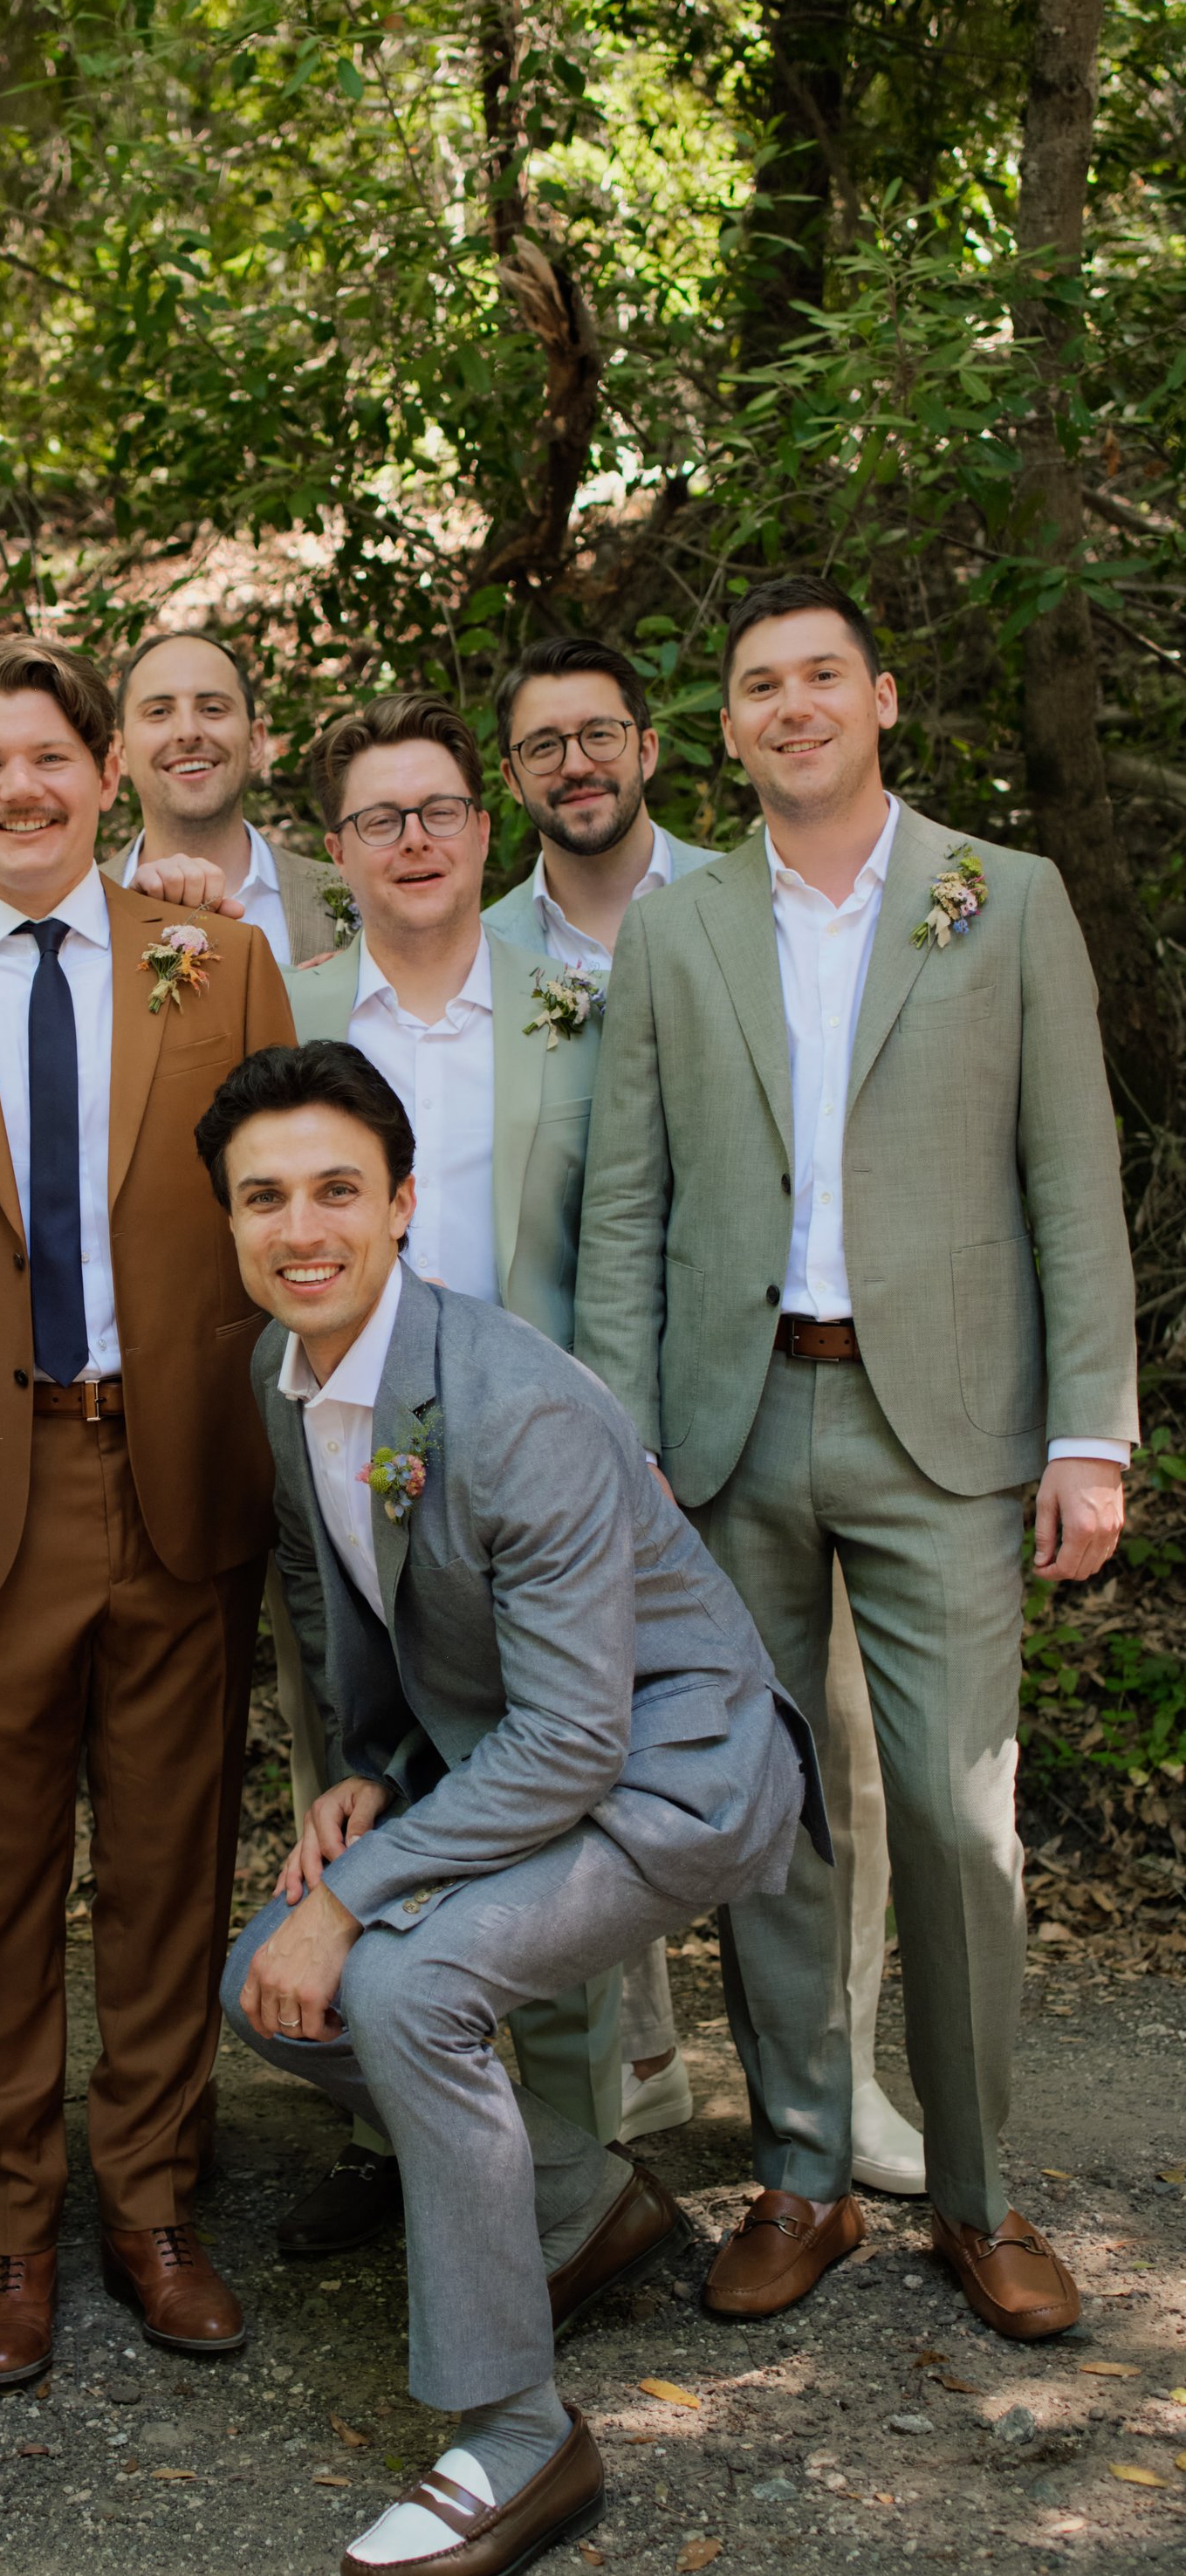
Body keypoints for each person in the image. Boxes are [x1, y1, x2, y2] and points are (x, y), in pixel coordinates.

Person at [577, 572, 1136, 2338]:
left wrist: (1087, 1439)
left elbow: (1069, 1182)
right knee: (775, 1819)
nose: (791, 706)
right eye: (758, 686)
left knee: (962, 1829)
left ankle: (974, 2201)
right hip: (732, 1425)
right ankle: (801, 2180)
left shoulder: (1002, 899)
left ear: (880, 700)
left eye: (821, 676)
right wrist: (623, 1436)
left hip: (947, 1429)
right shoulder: (675, 930)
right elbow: (624, 1204)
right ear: (726, 728)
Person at [206, 1042, 819, 2576]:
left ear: (404, 1203)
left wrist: (371, 1889)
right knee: (261, 1979)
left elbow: (573, 1735)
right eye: (263, 1198)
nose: (301, 1228)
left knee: (398, 1980)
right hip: (512, 1751)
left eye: (338, 1189)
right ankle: (573, 2204)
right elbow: (344, 1599)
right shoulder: (283, 1384)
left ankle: (518, 2431)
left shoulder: (516, 1404)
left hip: (673, 1768)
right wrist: (364, 1771)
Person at [0, 634, 295, 2389]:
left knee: (165, 1875)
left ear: (102, 771)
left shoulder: (217, 966)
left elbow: (278, 1210)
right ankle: (8, 2231)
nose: (18, 788)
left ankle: (152, 2206)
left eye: (47, 757)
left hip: (174, 1481)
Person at [483, 634, 922, 2187]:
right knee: (589, 1739)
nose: (575, 764)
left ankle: (834, 2074)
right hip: (580, 1412)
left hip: (772, 1398)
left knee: (819, 1751)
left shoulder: (760, 901)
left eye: (599, 733)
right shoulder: (478, 952)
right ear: (514, 775)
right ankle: (635, 2056)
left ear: (657, 746)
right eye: (543, 745)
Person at [272, 690, 627, 2251]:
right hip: (357, 1450)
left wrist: (632, 1439)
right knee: (369, 1784)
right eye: (375, 820)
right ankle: (429, 2153)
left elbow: (632, 1220)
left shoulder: (583, 993)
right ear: (335, 852)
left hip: (534, 1461)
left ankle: (573, 2176)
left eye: (437, 813)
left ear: (486, 834)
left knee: (546, 1801)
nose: (411, 843)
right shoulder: (294, 1009)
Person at [109, 629, 343, 959]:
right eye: (159, 712)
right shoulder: (76, 909)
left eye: (213, 709)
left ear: (255, 742)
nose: (188, 732)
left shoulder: (352, 899)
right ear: (119, 752)